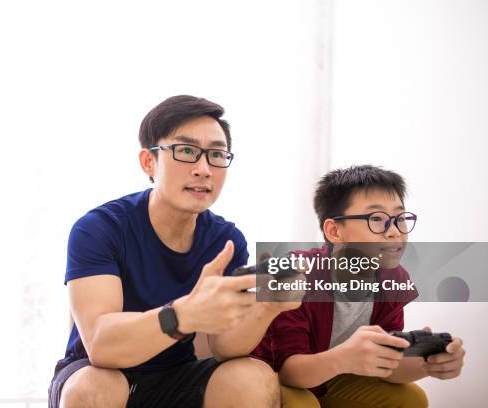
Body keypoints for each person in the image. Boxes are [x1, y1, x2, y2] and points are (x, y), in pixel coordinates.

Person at [48, 95, 299, 408]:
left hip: (177, 373)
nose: (204, 169)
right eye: (186, 151)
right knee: (94, 386)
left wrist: (267, 307)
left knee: (253, 376)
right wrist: (184, 314)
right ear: (148, 161)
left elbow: (223, 347)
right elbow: (101, 345)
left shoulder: (227, 239)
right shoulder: (99, 228)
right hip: (100, 370)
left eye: (217, 154)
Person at [252, 165, 466, 408]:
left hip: (330, 377)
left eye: (400, 218)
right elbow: (287, 370)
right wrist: (343, 359)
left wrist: (426, 364)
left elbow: (385, 364)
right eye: (377, 219)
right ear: (334, 231)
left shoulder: (393, 279)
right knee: (304, 404)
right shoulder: (297, 273)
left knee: (412, 399)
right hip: (271, 377)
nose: (394, 232)